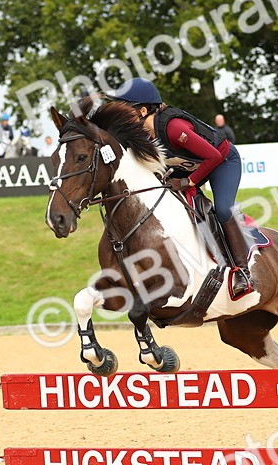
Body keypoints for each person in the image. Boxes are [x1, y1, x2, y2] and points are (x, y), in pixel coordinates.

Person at [108, 78, 255, 299]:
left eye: (124, 110)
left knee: (223, 209)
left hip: (222, 161)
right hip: (190, 166)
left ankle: (243, 271)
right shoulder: (141, 135)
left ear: (144, 110)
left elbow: (212, 156)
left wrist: (189, 182)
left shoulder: (173, 127)